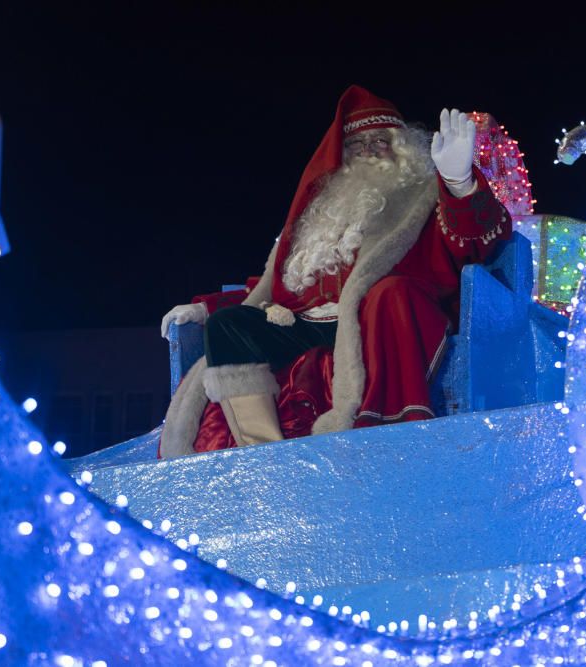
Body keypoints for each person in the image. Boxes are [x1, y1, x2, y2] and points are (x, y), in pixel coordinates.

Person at [158, 85, 511, 458]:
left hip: (370, 319)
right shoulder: (318, 214)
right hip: (303, 324)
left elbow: (472, 242)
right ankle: (260, 452)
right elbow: (272, 288)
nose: (368, 151)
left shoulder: (423, 199)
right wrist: (205, 309)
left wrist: (459, 184)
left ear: (402, 148)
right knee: (228, 325)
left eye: (380, 141)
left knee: (389, 292)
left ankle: (388, 426)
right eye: (357, 145)